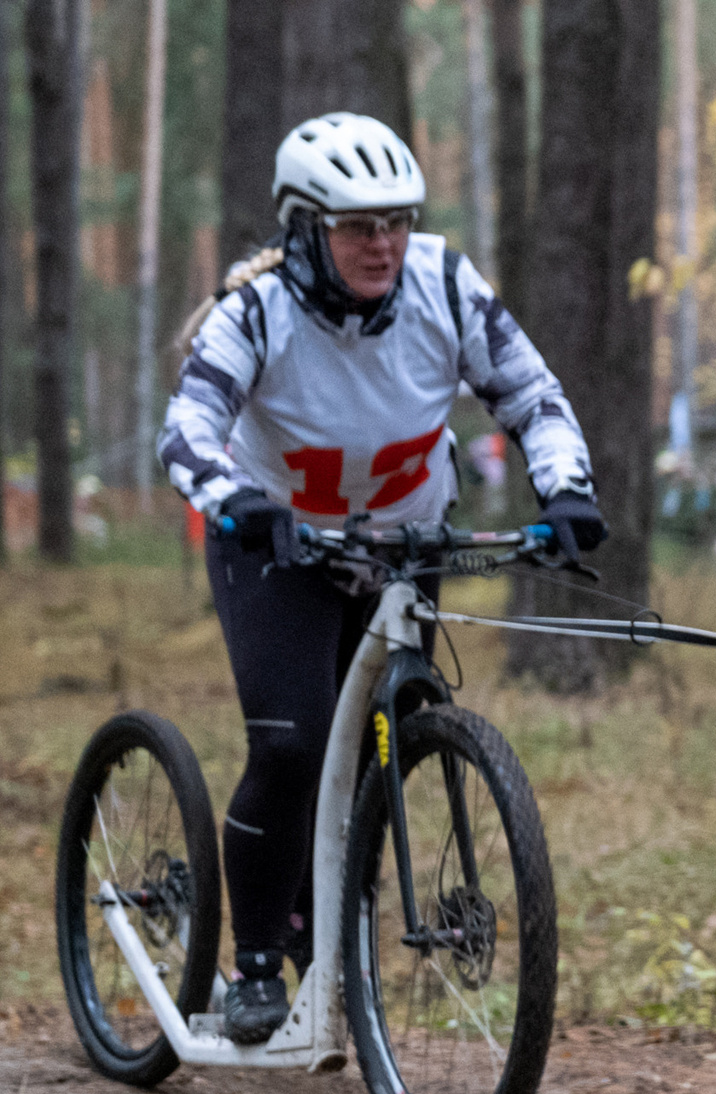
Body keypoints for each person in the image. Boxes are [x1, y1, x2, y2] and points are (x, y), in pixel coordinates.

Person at [158, 112, 603, 1045]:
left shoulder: (444, 282)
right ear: (305, 229)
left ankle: (334, 941)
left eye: (396, 221)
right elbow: (187, 431)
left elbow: (530, 392)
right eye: (358, 226)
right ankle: (253, 965)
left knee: (382, 750)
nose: (383, 244)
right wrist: (243, 502)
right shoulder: (258, 312)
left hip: (406, 544)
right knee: (293, 745)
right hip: (275, 545)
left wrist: (566, 492)